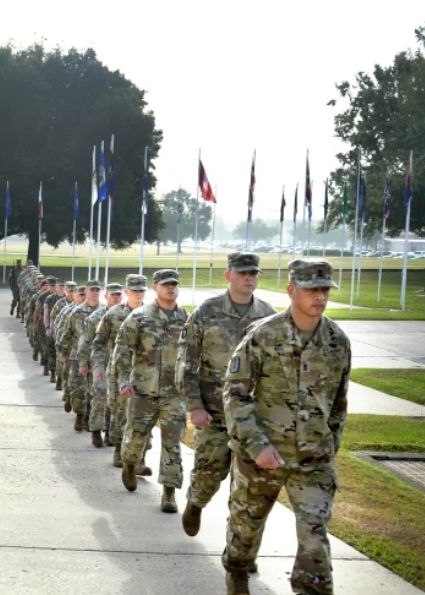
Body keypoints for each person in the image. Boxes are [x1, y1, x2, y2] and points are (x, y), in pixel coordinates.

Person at [223, 259, 351, 595]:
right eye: (312, 289)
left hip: (314, 461)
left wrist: (328, 447)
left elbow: (338, 404)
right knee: (245, 531)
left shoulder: (338, 341)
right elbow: (235, 395)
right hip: (262, 457)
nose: (319, 297)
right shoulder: (263, 336)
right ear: (292, 290)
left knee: (315, 539)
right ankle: (236, 570)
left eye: (324, 289)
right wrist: (256, 446)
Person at [176, 252, 275, 538]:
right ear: (227, 275)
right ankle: (196, 502)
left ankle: (241, 548)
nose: (248, 278)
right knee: (210, 472)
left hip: (252, 417)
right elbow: (186, 361)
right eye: (242, 272)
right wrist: (194, 406)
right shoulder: (207, 312)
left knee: (249, 487)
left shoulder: (267, 316)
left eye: (253, 273)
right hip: (214, 412)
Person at [112, 269, 187, 512]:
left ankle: (169, 492)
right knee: (134, 440)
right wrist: (124, 381)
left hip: (173, 394)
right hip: (142, 391)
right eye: (165, 285)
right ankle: (130, 464)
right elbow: (122, 350)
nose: (171, 288)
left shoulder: (185, 318)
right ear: (155, 288)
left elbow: (193, 354)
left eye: (174, 284)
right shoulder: (139, 317)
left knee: (172, 444)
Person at [93, 275, 145, 468]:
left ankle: (139, 458)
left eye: (141, 291)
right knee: (120, 413)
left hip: (144, 374)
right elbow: (98, 343)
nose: (138, 294)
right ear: (127, 292)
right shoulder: (113, 314)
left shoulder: (151, 313)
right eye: (134, 290)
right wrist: (98, 366)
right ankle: (118, 450)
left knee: (143, 416)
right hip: (117, 372)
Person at [78, 283, 123, 448]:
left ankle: (111, 433)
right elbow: (85, 342)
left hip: (120, 364)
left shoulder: (127, 316)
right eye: (113, 295)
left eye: (119, 295)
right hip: (100, 363)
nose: (116, 298)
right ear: (106, 297)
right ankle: (96, 430)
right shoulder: (95, 318)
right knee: (101, 395)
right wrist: (83, 363)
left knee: (117, 400)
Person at [59, 281, 104, 438]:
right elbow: (67, 333)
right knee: (78, 388)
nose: (94, 293)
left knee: (96, 391)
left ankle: (90, 419)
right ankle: (79, 414)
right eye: (92, 290)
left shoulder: (105, 312)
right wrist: (64, 353)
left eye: (97, 290)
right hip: (78, 356)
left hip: (99, 358)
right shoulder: (77, 312)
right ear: (85, 291)